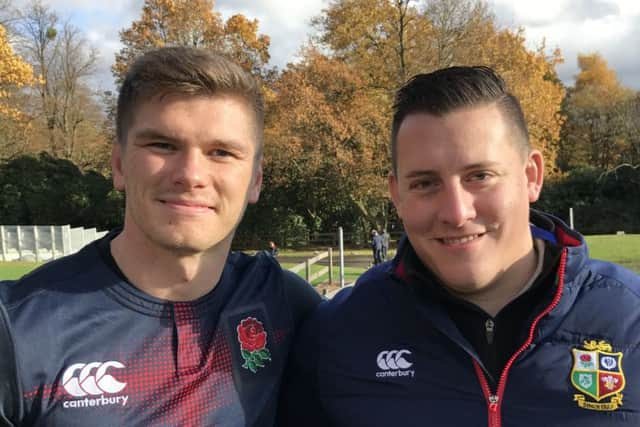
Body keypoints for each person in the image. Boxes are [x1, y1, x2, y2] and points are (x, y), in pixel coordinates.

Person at [278, 66, 640, 426]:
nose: (456, 212)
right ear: (396, 194)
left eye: (479, 176)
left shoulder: (629, 319)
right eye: (425, 183)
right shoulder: (337, 334)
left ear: (531, 176)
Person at [0, 47, 321, 427]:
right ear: (119, 164)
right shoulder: (17, 330)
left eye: (221, 152)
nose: (190, 174)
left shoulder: (285, 304)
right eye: (162, 145)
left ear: (256, 180)